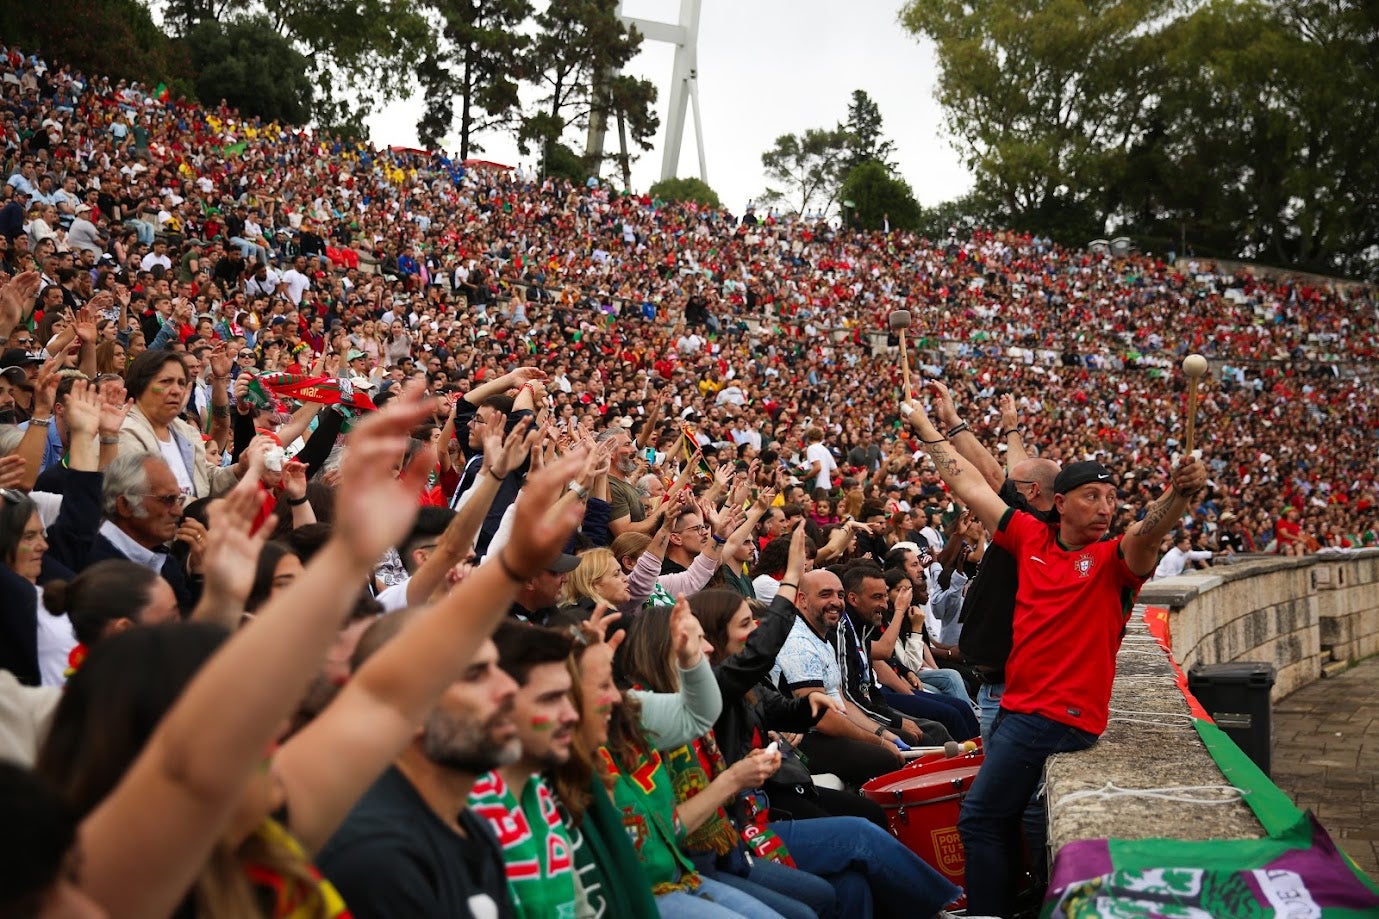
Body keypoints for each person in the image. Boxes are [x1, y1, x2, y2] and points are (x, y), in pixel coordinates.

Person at [900, 391, 1206, 918]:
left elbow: (1148, 531)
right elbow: (969, 483)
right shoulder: (1029, 537)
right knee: (1003, 817)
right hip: (1027, 708)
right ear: (1060, 503)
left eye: (1110, 498)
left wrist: (1178, 498)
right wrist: (927, 427)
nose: (1105, 508)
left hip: (1052, 714)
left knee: (978, 817)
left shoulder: (1113, 560)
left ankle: (991, 912)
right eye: (1092, 496)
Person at [317, 614, 519, 919]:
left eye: (497, 667)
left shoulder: (471, 826)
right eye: (474, 674)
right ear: (407, 708)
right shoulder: (376, 856)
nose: (509, 687)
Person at [468, 623, 582, 918]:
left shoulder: (538, 796)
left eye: (567, 697)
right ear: (500, 703)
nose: (571, 715)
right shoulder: (467, 819)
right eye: (550, 699)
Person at [770, 569, 908, 786]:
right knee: (885, 759)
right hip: (800, 741)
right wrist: (878, 741)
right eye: (825, 594)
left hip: (825, 730)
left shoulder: (821, 635)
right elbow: (822, 718)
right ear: (802, 600)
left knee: (903, 742)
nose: (836, 602)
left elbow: (841, 700)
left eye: (840, 595)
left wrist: (881, 732)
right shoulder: (797, 642)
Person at [1152, 531, 1217, 580]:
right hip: (1161, 579)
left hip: (1176, 575)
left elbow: (1198, 555)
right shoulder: (1172, 557)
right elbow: (1170, 577)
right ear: (1180, 544)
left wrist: (1218, 554)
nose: (1190, 546)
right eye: (1187, 544)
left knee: (1192, 571)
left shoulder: (1185, 552)